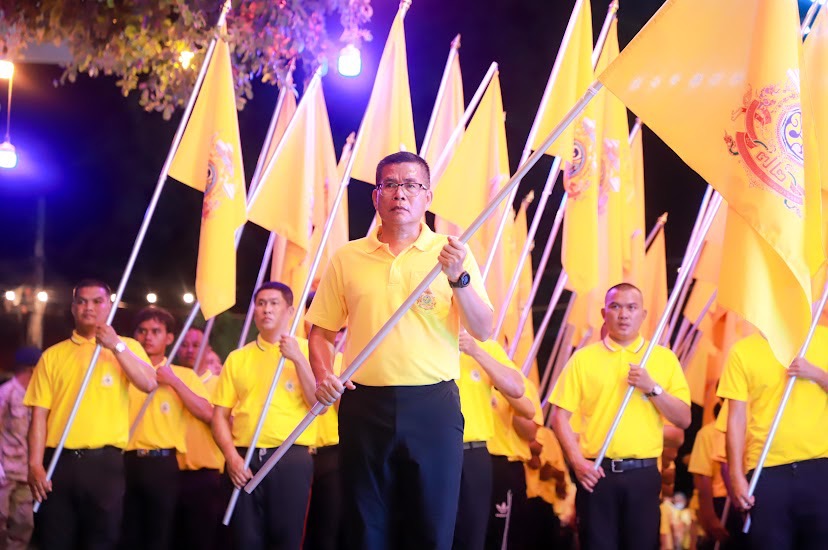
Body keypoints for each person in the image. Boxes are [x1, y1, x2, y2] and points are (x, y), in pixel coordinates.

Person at [307, 151, 494, 549]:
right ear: (376, 196)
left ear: (428, 196)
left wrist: (458, 278)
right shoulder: (347, 257)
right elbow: (320, 332)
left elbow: (483, 329)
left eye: (411, 185)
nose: (400, 193)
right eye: (390, 184)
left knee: (431, 527)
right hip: (363, 407)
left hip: (433, 408)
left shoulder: (451, 253)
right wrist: (323, 374)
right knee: (366, 528)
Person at [550, 282, 691, 549]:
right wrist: (577, 462)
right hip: (597, 473)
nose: (623, 314)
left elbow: (684, 419)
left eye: (631, 307)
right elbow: (559, 417)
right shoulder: (583, 359)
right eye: (615, 307)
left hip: (644, 474)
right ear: (604, 314)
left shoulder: (663, 358)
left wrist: (652, 388)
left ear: (643, 315)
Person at [24, 279, 157, 549]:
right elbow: (39, 416)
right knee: (54, 539)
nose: (89, 307)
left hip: (104, 464)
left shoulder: (127, 347)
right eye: (82, 301)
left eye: (97, 301)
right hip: (58, 462)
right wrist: (35, 464)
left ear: (109, 306)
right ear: (73, 308)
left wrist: (115, 345)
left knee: (101, 540)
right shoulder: (52, 355)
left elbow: (148, 383)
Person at [212, 281, 318, 549]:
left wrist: (298, 359)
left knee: (286, 539)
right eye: (260, 304)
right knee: (245, 540)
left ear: (290, 311)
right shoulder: (238, 357)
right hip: (245, 458)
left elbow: (319, 404)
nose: (266, 309)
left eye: (273, 303)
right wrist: (231, 457)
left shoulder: (308, 352)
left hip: (289, 458)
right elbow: (219, 416)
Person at [717, 323, 828, 550]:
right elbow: (735, 419)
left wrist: (818, 375)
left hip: (820, 467)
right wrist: (736, 476)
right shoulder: (742, 351)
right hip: (765, 471)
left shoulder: (824, 338)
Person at [122, 306, 213, 550]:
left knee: (160, 536)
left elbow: (207, 413)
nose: (147, 337)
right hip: (125, 461)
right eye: (142, 331)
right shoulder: (123, 370)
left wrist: (173, 381)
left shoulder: (184, 375)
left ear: (170, 337)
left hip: (162, 464)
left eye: (156, 331)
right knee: (126, 536)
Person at [453, 333, 525, 550]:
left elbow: (517, 388)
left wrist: (475, 351)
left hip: (473, 453)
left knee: (472, 535)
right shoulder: (423, 339)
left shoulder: (485, 347)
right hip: (429, 452)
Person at [173, 325, 225, 550]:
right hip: (170, 473)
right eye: (184, 345)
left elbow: (224, 422)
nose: (189, 350)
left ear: (208, 349)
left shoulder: (220, 384)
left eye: (196, 345)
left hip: (206, 477)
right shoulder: (166, 378)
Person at [0, 346, 40, 550]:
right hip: (4, 472)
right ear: (32, 369)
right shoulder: (6, 393)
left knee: (24, 523)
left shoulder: (37, 397)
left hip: (25, 473)